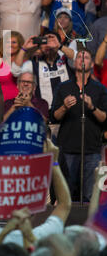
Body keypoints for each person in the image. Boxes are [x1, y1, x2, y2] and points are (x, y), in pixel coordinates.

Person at [0, 138, 72, 252]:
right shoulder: (44, 238)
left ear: (6, 209)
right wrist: (54, 162)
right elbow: (64, 205)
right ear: (33, 214)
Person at [51, 49, 107, 202]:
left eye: (86, 57)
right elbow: (54, 117)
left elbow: (104, 119)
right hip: (68, 149)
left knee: (89, 197)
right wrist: (64, 107)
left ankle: (86, 226)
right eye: (79, 57)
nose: (82, 59)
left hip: (91, 150)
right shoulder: (63, 87)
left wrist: (92, 107)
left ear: (91, 63)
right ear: (74, 62)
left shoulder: (100, 89)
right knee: (66, 197)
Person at [12, 31, 75, 109]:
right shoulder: (34, 63)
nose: (48, 45)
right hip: (44, 110)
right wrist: (24, 48)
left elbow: (78, 58)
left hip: (68, 107)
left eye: (52, 41)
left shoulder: (66, 59)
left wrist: (59, 46)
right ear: (40, 46)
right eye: (45, 41)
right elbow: (15, 71)